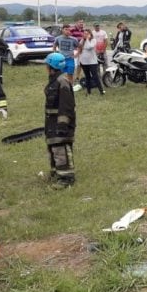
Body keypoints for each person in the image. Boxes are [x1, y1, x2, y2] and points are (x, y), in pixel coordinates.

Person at [43, 53, 76, 189]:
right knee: (53, 147)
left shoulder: (62, 82)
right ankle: (56, 172)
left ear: (52, 67)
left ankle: (66, 178)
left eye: (47, 65)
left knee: (60, 148)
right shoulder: (54, 80)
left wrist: (63, 125)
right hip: (52, 122)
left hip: (60, 123)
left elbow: (66, 106)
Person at [79, 29, 104, 95]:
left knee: (95, 76)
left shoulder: (93, 40)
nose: (85, 35)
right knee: (87, 77)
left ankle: (101, 91)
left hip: (92, 62)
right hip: (84, 62)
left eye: (87, 34)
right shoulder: (82, 40)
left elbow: (89, 47)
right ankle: (89, 91)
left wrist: (87, 39)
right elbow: (80, 49)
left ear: (90, 34)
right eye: (84, 34)